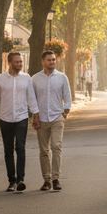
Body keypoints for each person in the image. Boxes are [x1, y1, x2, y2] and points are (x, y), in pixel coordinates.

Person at [0, 51, 39, 192]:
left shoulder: (26, 78)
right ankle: (12, 180)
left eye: (21, 62)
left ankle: (20, 180)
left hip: (22, 117)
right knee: (8, 150)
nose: (20, 64)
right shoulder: (0, 79)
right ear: (10, 62)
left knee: (21, 147)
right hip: (5, 118)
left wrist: (36, 116)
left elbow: (31, 98)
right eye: (17, 62)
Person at [31, 50, 72, 191]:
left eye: (54, 60)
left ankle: (56, 178)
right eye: (49, 60)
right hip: (41, 119)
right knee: (43, 150)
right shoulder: (35, 79)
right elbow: (32, 99)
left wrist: (65, 111)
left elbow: (67, 95)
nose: (52, 62)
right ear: (43, 61)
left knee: (56, 146)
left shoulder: (62, 77)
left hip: (56, 118)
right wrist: (35, 116)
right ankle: (46, 180)